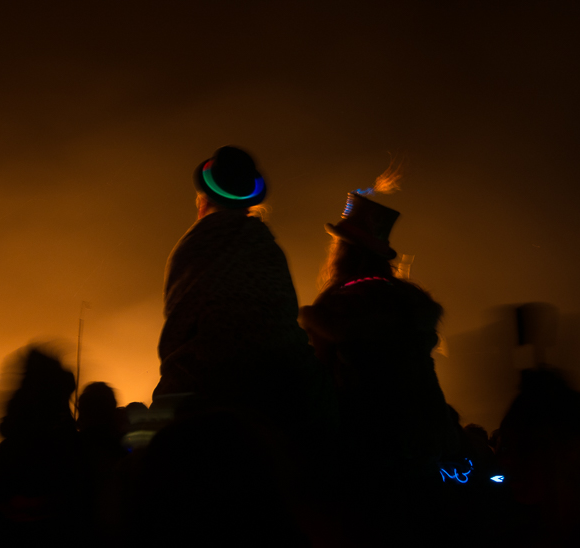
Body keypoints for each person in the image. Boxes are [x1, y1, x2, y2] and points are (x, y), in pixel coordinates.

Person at [299, 189, 459, 543]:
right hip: (423, 447)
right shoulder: (410, 308)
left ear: (342, 251)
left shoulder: (336, 307)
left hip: (360, 455)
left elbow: (319, 384)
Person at [151, 146, 336, 435]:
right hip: (287, 391)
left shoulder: (193, 247)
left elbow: (179, 330)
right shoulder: (268, 249)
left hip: (210, 390)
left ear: (203, 200)